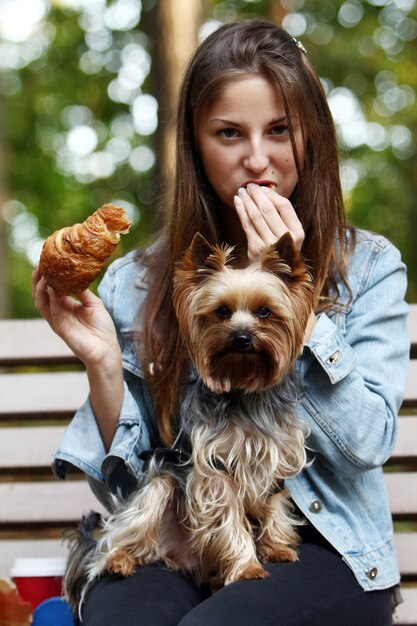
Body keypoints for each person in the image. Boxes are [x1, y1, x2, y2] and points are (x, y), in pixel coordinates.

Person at [32, 18, 409, 626]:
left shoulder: (367, 267)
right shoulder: (138, 279)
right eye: (230, 133)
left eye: (279, 130)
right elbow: (130, 494)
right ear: (197, 144)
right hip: (187, 535)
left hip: (325, 550)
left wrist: (300, 306)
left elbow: (367, 447)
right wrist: (102, 364)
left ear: (310, 135)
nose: (257, 158)